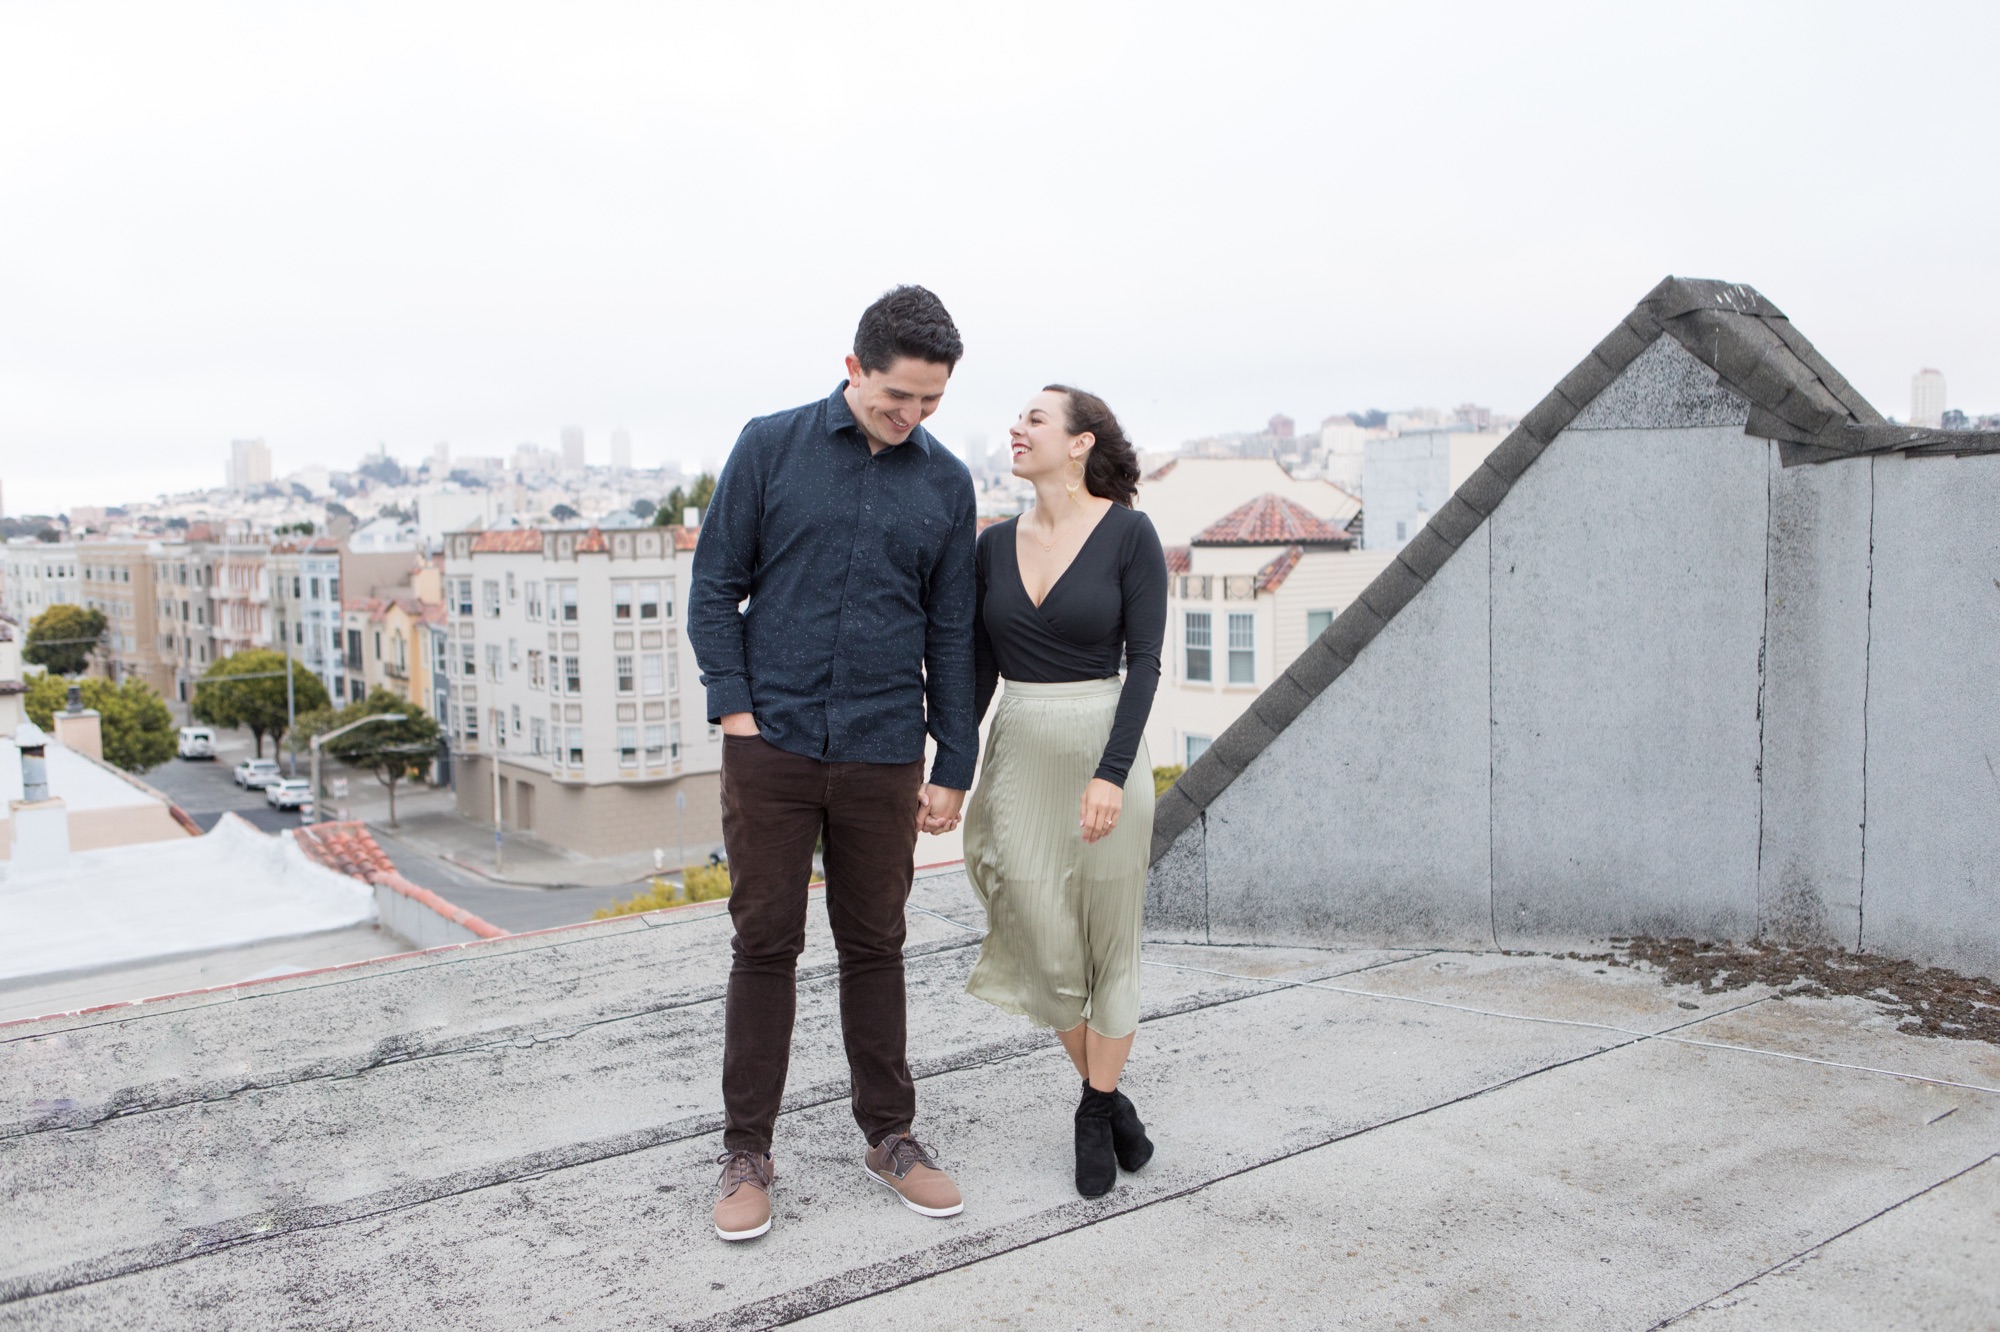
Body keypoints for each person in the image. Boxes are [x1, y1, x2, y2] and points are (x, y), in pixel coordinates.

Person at [689, 285, 977, 1242]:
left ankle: (890, 1135)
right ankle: (746, 1151)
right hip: (769, 747)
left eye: (931, 403)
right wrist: (736, 714)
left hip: (885, 751)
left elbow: (952, 632)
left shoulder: (945, 482)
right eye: (899, 397)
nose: (912, 418)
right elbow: (714, 587)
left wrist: (954, 761)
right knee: (764, 945)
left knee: (877, 946)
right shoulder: (768, 445)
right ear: (854, 367)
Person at [962, 384, 1167, 1197]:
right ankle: (1114, 1105)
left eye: (1035, 418)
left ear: (1080, 443)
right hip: (1019, 752)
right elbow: (979, 672)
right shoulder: (990, 545)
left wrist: (1111, 774)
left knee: (1110, 942)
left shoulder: (1129, 535)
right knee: (1044, 943)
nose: (1017, 428)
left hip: (1102, 749)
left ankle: (1093, 1110)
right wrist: (949, 766)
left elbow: (1145, 663)